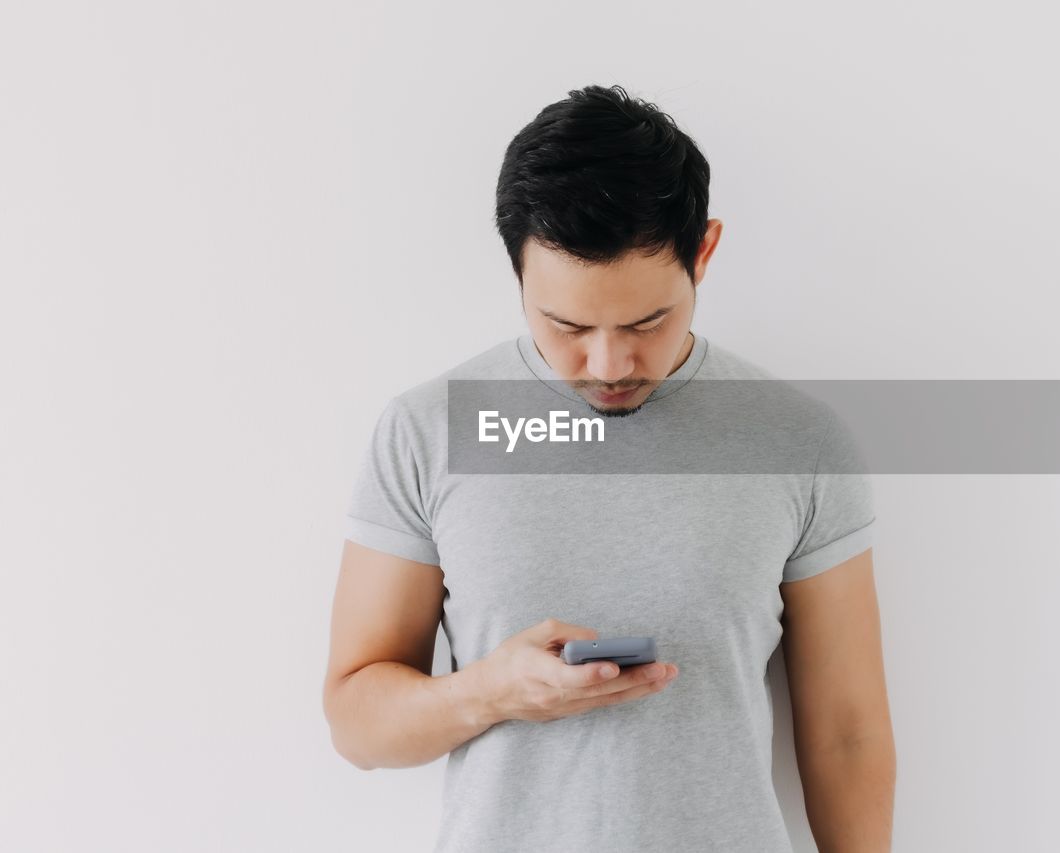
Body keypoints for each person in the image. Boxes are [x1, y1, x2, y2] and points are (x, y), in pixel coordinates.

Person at [322, 84, 895, 853]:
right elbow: (356, 724)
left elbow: (848, 734)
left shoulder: (799, 440)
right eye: (566, 325)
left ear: (705, 252)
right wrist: (493, 691)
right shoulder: (428, 431)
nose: (609, 363)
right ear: (517, 276)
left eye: (647, 321)